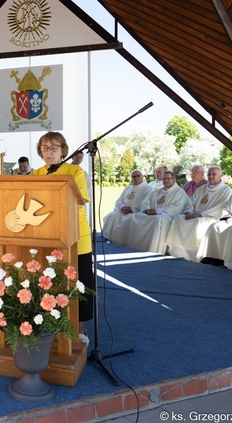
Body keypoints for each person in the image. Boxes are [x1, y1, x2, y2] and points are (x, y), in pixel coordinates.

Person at [31, 132, 93, 325]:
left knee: (78, 280)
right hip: (47, 233)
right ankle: (51, 322)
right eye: (45, 148)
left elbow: (80, 200)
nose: (49, 151)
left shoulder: (74, 172)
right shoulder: (36, 174)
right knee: (52, 278)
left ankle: (79, 326)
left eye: (53, 147)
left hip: (75, 233)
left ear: (63, 150)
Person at [166, 166, 231, 261]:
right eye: (209, 174)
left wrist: (200, 215)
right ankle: (178, 252)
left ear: (220, 176)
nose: (211, 176)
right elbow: (191, 202)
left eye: (214, 174)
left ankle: (195, 256)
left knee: (197, 223)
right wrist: (189, 212)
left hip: (210, 217)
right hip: (195, 215)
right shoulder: (202, 189)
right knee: (178, 219)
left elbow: (220, 207)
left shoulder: (226, 190)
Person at [123, 171, 192, 254]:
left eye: (168, 178)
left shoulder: (180, 192)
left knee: (158, 219)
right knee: (136, 216)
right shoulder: (157, 192)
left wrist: (156, 211)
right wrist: (147, 209)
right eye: (164, 179)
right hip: (152, 214)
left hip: (168, 217)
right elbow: (145, 202)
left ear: (174, 179)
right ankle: (136, 246)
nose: (166, 180)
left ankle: (153, 249)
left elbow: (176, 208)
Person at [101, 169, 153, 244]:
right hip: (123, 211)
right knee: (111, 216)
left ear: (142, 176)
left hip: (136, 212)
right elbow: (119, 200)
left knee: (128, 220)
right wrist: (123, 207)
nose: (136, 178)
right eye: (133, 176)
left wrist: (132, 209)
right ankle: (108, 238)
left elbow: (145, 202)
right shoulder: (128, 188)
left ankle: (124, 241)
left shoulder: (148, 188)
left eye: (138, 176)